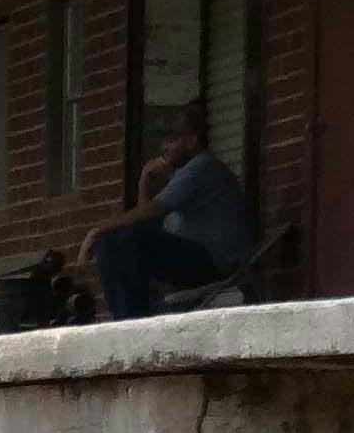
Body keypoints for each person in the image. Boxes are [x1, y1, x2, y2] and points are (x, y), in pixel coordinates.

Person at [85, 112, 254, 318]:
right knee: (110, 241)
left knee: (129, 237)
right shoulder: (181, 175)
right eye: (163, 142)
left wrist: (97, 229)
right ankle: (121, 317)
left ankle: (133, 317)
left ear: (191, 141)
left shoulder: (202, 166)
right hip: (194, 257)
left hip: (215, 262)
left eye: (171, 141)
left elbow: (153, 211)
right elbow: (144, 219)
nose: (163, 148)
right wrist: (144, 181)